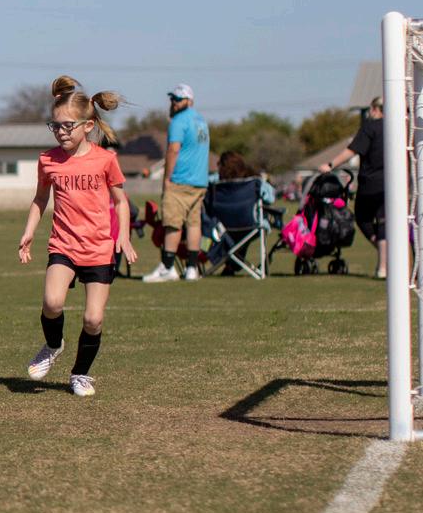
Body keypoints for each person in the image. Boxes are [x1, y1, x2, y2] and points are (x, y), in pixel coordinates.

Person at [17, 75, 136, 397]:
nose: (61, 132)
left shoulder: (106, 160)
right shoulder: (48, 160)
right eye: (55, 126)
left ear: (88, 125)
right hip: (64, 245)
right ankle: (53, 344)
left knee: (93, 319)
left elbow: (120, 201)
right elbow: (40, 199)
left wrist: (123, 237)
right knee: (52, 302)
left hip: (99, 248)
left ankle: (80, 374)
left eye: (68, 126)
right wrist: (29, 232)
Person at [143, 84, 210, 283]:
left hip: (181, 180)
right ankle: (191, 268)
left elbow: (173, 149)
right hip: (199, 181)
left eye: (178, 99)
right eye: (173, 98)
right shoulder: (201, 120)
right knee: (194, 224)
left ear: (189, 101)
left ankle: (168, 266)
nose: (174, 102)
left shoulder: (179, 120)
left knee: (172, 223)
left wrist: (167, 178)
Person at [320, 96, 386, 278]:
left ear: (375, 109)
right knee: (384, 221)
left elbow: (352, 150)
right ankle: (388, 260)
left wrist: (330, 165)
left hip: (372, 183)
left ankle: (384, 265)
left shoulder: (370, 127)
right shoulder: (400, 127)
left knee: (364, 218)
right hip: (397, 184)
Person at [214, 151, 276, 275]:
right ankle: (234, 263)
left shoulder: (215, 184)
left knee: (236, 237)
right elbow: (270, 198)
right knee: (246, 232)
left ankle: (232, 263)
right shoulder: (254, 182)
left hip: (221, 227)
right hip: (249, 224)